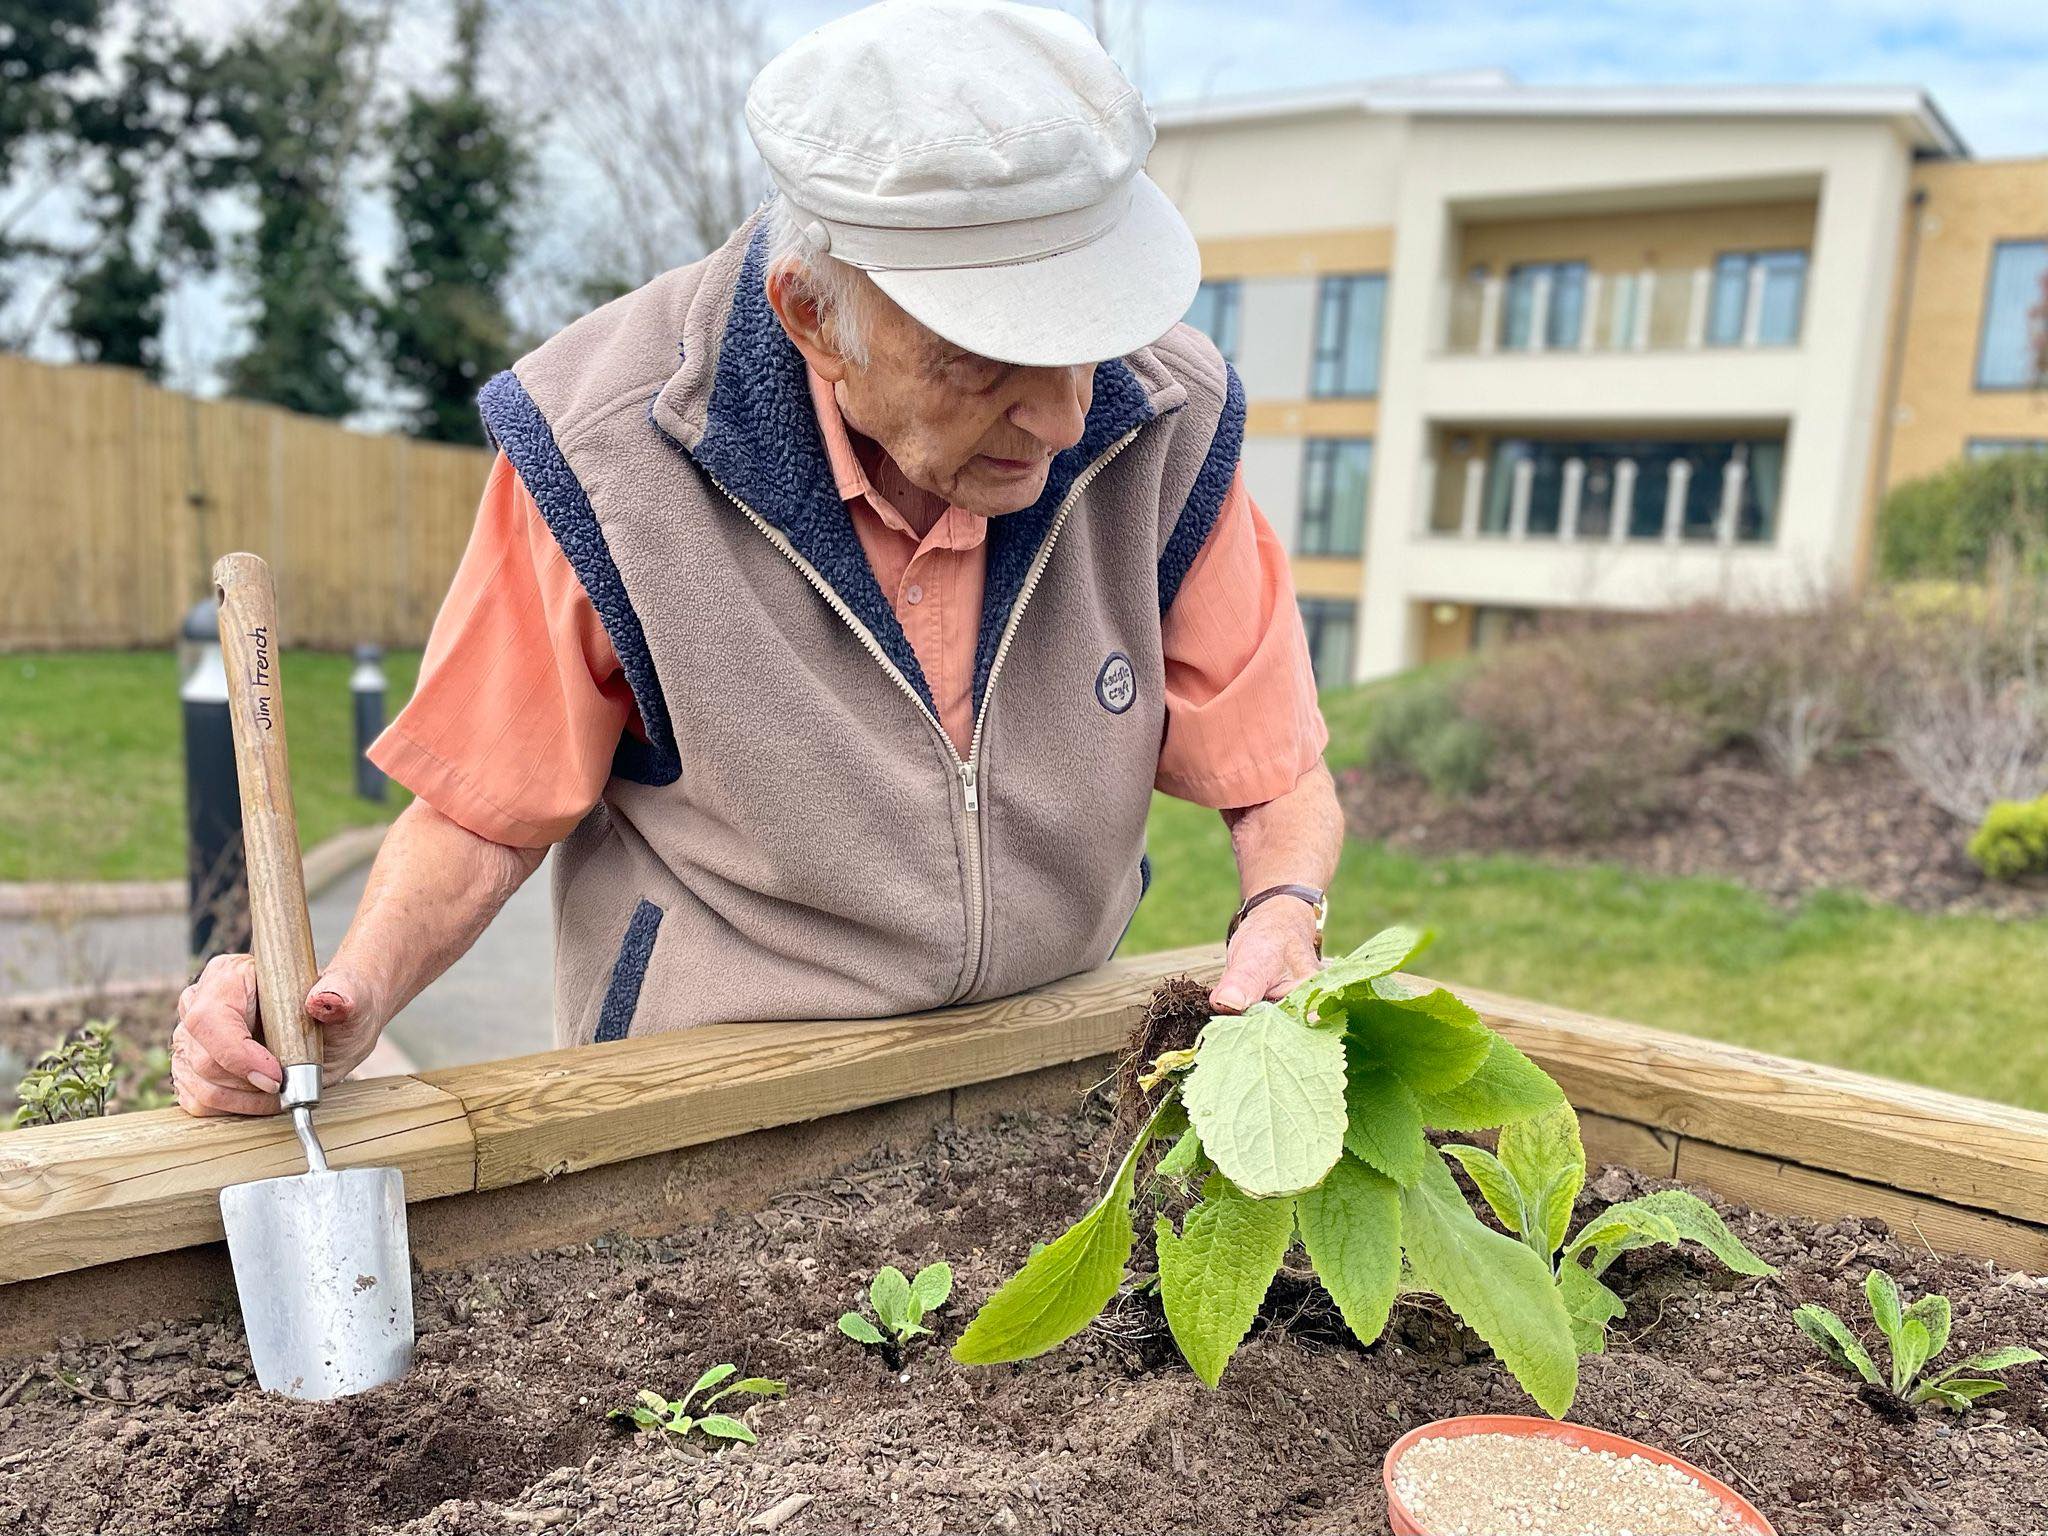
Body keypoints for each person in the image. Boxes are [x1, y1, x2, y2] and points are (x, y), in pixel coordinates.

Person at [170, 0, 1342, 1117]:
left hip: (1037, 1066)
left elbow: (1271, 762)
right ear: (812, 317)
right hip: (708, 1107)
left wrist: (1284, 909)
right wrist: (345, 999)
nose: (1062, 415)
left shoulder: (1165, 415)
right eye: (986, 361)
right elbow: (483, 809)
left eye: (1085, 342)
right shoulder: (603, 452)